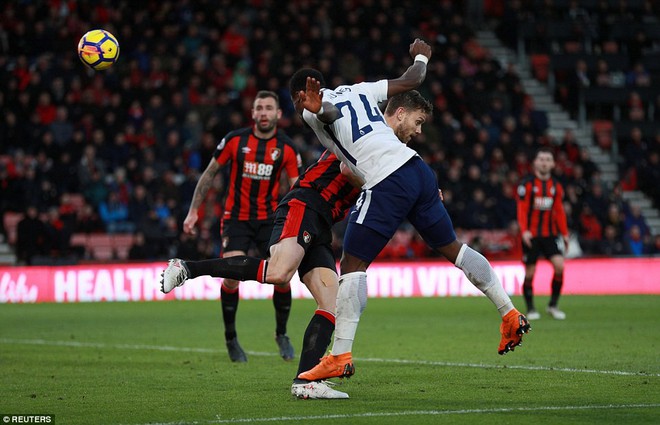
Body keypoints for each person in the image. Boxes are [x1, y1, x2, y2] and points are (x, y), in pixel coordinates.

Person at [290, 38, 530, 386]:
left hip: (386, 179)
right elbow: (413, 79)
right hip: (418, 171)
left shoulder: (315, 106)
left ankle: (340, 355)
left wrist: (313, 108)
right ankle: (509, 313)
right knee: (454, 249)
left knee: (352, 266)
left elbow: (328, 114)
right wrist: (422, 55)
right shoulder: (363, 90)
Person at [161, 90, 427, 399]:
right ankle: (186, 268)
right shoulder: (371, 136)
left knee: (332, 302)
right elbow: (345, 170)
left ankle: (305, 381)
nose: (419, 131)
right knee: (278, 274)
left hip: (322, 220)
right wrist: (399, 191)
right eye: (418, 122)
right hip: (306, 204)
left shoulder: (391, 150)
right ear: (400, 113)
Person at [171, 90, 303, 363]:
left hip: (270, 219)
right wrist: (194, 210)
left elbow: (298, 188)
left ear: (278, 114)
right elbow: (209, 174)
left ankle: (281, 334)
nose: (263, 113)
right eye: (259, 108)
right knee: (231, 277)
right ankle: (231, 338)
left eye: (269, 108)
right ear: (252, 113)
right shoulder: (235, 140)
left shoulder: (287, 148)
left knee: (283, 275)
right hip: (236, 218)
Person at [516, 147, 569, 320]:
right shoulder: (526, 185)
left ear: (553, 164)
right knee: (530, 272)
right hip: (531, 235)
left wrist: (565, 234)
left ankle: (553, 306)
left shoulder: (556, 187)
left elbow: (559, 211)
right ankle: (531, 309)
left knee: (559, 266)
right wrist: (524, 231)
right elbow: (522, 210)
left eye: (548, 159)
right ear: (535, 163)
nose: (544, 162)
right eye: (541, 159)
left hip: (550, 235)